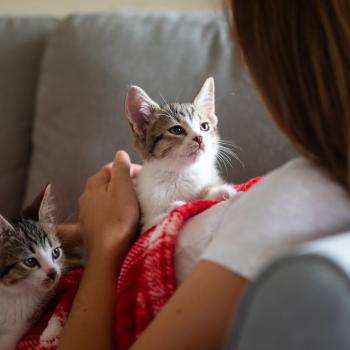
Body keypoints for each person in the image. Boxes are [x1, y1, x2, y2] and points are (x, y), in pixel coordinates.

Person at [57, 1, 350, 349]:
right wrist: (78, 233)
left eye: (243, 52)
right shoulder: (319, 189)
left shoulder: (284, 206)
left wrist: (106, 241)